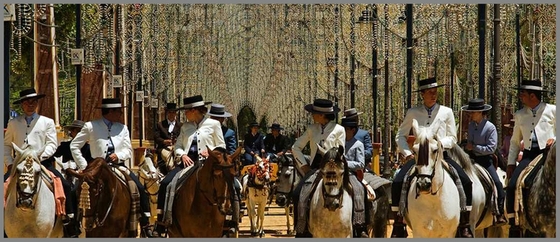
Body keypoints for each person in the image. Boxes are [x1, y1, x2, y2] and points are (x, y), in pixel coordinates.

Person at [392, 77, 474, 238]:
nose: (433, 95)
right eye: (430, 92)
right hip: (419, 157)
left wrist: (436, 145)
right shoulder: (413, 112)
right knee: (397, 181)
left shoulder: (446, 112)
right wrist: (407, 153)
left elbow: (452, 137)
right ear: (422, 94)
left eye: (435, 92)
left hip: (441, 154)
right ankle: (398, 223)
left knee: (465, 181)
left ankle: (464, 224)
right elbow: (400, 136)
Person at [70, 98, 154, 237]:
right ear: (110, 112)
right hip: (95, 168)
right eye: (118, 111)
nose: (121, 113)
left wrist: (118, 155)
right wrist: (85, 166)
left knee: (137, 188)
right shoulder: (91, 126)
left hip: (117, 166)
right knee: (75, 190)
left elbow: (128, 150)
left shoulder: (122, 128)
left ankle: (145, 223)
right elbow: (74, 145)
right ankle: (73, 223)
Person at [152, 95, 225, 237]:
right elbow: (178, 145)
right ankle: (162, 222)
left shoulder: (214, 124)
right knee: (166, 183)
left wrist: (211, 153)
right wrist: (182, 155)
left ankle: (229, 219)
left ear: (195, 110)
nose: (184, 114)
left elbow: (221, 146)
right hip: (187, 164)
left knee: (232, 184)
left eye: (187, 111)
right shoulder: (185, 127)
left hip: (207, 165)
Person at [506, 79, 556, 237]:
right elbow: (514, 141)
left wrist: (554, 140)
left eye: (523, 94)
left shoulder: (553, 110)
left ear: (532, 96)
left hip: (549, 155)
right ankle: (514, 223)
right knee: (513, 184)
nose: (520, 97)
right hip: (529, 155)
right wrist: (510, 163)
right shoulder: (520, 115)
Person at [291, 98, 345, 237]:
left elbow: (341, 151)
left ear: (321, 115)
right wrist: (304, 166)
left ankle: (359, 225)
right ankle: (301, 229)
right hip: (315, 170)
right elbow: (296, 147)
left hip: (335, 170)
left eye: (314, 113)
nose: (312, 115)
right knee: (298, 193)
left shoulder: (339, 129)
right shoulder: (311, 129)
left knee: (357, 189)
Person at [461, 98, 507, 226]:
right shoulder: (471, 126)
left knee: (497, 183)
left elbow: (491, 148)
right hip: (471, 159)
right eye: (470, 112)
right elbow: (469, 143)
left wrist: (474, 147)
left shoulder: (490, 127)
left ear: (481, 112)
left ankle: (499, 212)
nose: (470, 115)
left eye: (473, 112)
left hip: (486, 161)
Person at [45, 119, 93, 237]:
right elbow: (52, 157)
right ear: (72, 132)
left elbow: (93, 163)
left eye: (81, 131)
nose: (78, 133)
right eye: (76, 131)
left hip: (83, 177)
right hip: (67, 174)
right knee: (66, 189)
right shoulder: (65, 146)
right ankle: (66, 220)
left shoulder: (89, 148)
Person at [207, 103, 242, 235]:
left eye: (219, 118)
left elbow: (232, 150)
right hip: (209, 164)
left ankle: (233, 219)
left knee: (236, 187)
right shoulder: (205, 130)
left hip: (224, 165)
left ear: (223, 119)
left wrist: (223, 158)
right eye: (214, 117)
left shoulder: (229, 133)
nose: (217, 120)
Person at [340, 117, 369, 237]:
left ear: (353, 130)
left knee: (359, 189)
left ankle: (360, 224)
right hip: (337, 173)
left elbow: (361, 164)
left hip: (351, 173)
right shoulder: (338, 143)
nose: (344, 132)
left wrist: (345, 163)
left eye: (346, 129)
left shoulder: (358, 145)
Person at [154, 102, 182, 175]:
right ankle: (171, 170)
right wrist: (164, 141)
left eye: (173, 112)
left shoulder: (180, 125)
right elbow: (156, 138)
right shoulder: (160, 125)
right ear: (167, 113)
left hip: (177, 147)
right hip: (164, 148)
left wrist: (176, 141)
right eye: (170, 112)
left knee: (179, 157)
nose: (171, 114)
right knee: (168, 157)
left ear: (175, 113)